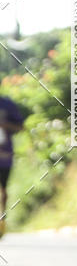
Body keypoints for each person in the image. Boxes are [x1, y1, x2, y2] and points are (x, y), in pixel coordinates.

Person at [0, 95, 24, 238]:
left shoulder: (7, 104)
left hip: (4, 156)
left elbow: (20, 127)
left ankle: (2, 221)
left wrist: (4, 125)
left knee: (3, 189)